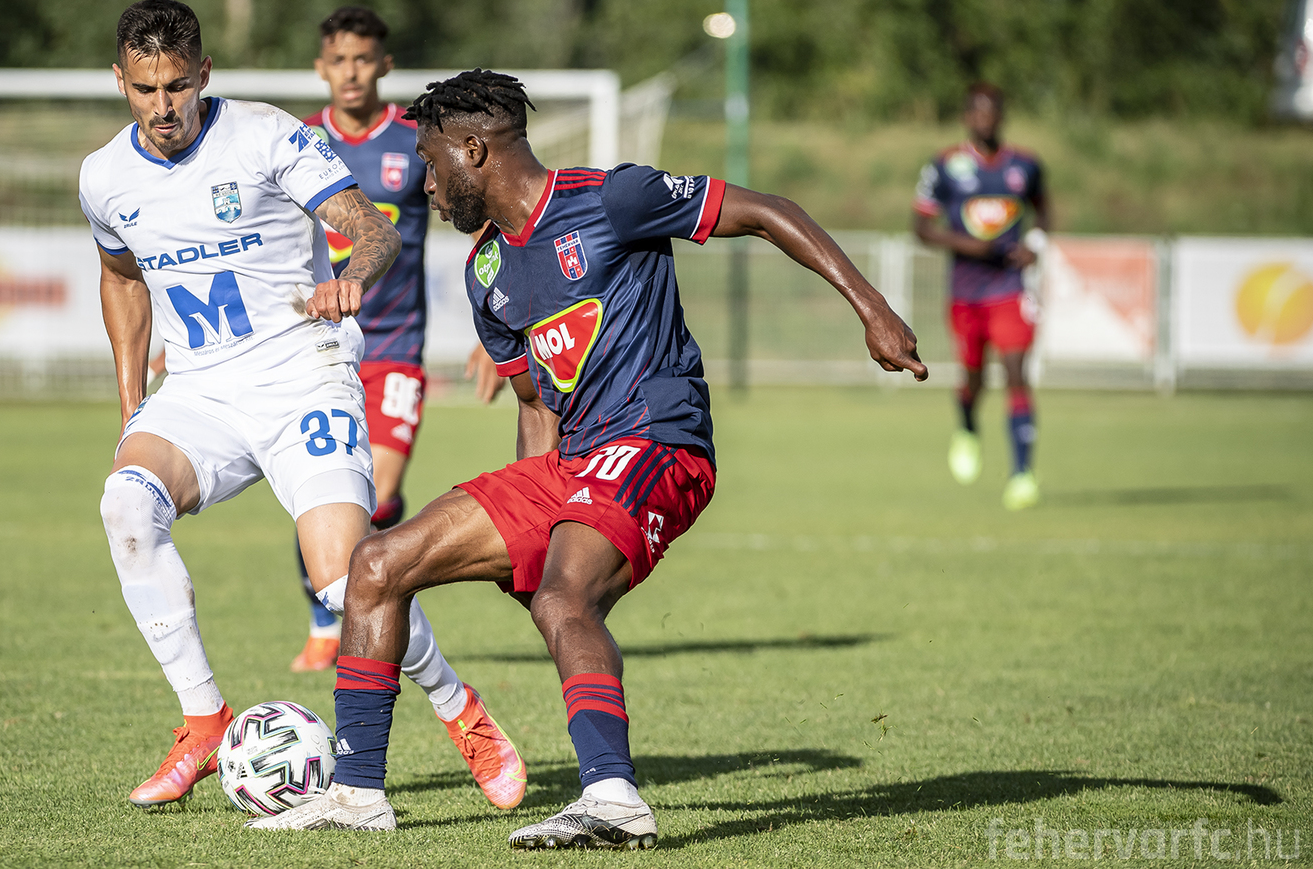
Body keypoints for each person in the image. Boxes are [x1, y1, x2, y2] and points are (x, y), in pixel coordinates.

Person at [248, 70, 926, 846]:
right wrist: (525, 531)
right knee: (375, 566)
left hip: (660, 439)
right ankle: (357, 794)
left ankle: (613, 800)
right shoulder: (487, 272)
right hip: (573, 461)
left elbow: (771, 212)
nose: (425, 185)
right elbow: (536, 408)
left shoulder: (614, 199)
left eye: (432, 164)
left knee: (564, 597)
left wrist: (874, 309)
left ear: (474, 150)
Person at [80, 0, 523, 812]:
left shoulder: (266, 135)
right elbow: (120, 279)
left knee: (345, 581)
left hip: (302, 375)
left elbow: (375, 230)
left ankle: (460, 708)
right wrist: (132, 403)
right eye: (145, 89)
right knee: (126, 506)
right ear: (120, 81)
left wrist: (351, 277)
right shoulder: (104, 177)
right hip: (200, 392)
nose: (163, 106)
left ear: (204, 73)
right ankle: (204, 721)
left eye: (177, 86)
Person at [287, 5, 505, 672]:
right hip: (315, 351)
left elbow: (487, 222)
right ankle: (325, 621)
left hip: (393, 351)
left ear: (384, 64)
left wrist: (499, 325)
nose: (351, 72)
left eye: (363, 59)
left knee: (374, 496)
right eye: (339, 60)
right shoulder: (297, 142)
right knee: (322, 492)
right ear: (321, 67)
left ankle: (370, 610)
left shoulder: (415, 141)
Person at [913, 82, 1051, 510]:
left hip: (1010, 287)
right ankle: (968, 426)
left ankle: (1022, 474)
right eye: (978, 112)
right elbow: (921, 228)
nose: (985, 119)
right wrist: (971, 246)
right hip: (966, 292)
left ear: (1002, 116)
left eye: (992, 111)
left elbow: (1044, 209)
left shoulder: (1025, 165)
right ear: (967, 117)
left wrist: (1035, 244)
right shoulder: (945, 166)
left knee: (1016, 372)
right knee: (973, 376)